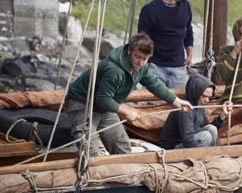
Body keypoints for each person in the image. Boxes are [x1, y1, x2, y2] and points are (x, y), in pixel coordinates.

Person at [64, 33, 192, 156]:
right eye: (137, 57)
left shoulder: (141, 67)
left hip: (105, 106)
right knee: (89, 152)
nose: (140, 62)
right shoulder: (115, 70)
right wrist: (125, 110)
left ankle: (123, 177)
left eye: (145, 59)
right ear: (129, 51)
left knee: (122, 148)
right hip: (82, 103)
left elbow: (155, 84)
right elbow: (102, 98)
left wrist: (176, 101)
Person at [137, 0, 193, 88]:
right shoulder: (150, 10)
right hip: (155, 67)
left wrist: (190, 55)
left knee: (183, 104)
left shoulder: (186, 6)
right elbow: (143, 41)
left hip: (179, 67)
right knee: (153, 106)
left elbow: (188, 32)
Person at [159, 72, 231, 150]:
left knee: (212, 128)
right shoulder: (185, 109)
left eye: (209, 97)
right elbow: (187, 139)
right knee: (205, 136)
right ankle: (204, 157)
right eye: (204, 96)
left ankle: (209, 155)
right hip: (171, 149)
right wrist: (201, 153)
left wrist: (222, 115)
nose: (207, 100)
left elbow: (206, 127)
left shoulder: (199, 106)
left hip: (187, 144)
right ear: (195, 91)